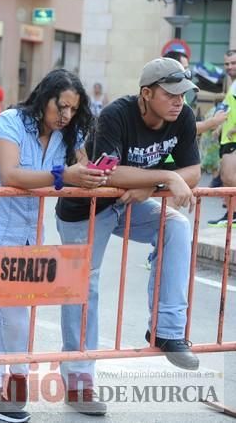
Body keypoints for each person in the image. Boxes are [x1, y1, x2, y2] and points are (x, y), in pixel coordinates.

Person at [56, 57, 201, 416]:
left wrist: (151, 184)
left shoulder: (182, 117)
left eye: (183, 94)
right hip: (86, 206)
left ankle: (166, 331)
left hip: (129, 201)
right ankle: (79, 384)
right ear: (146, 94)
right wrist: (163, 179)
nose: (179, 101)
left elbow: (193, 171)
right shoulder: (117, 114)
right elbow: (108, 173)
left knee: (176, 226)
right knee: (83, 284)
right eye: (170, 94)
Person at [0, 70, 104, 423]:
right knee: (14, 312)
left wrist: (95, 172)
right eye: (62, 106)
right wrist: (63, 176)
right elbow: (10, 175)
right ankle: (10, 384)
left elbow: (83, 168)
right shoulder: (11, 122)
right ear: (45, 97)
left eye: (74, 110)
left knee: (9, 311)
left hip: (28, 234)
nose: (67, 115)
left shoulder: (64, 135)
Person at [209, 49, 236, 226]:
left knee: (229, 177)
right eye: (227, 63)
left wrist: (234, 128)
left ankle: (233, 215)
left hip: (233, 138)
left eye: (233, 63)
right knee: (227, 178)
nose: (229, 67)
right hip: (226, 139)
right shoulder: (232, 85)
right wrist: (218, 126)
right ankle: (231, 214)